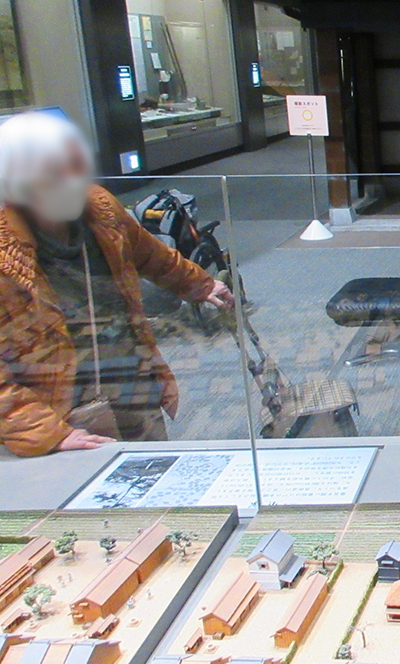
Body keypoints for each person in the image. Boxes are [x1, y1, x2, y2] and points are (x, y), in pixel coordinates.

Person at [0, 111, 233, 457]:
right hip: (60, 411)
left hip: (130, 379)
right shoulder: (5, 250)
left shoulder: (100, 208)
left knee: (154, 469)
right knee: (91, 487)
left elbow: (151, 255)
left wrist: (200, 284)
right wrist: (47, 433)